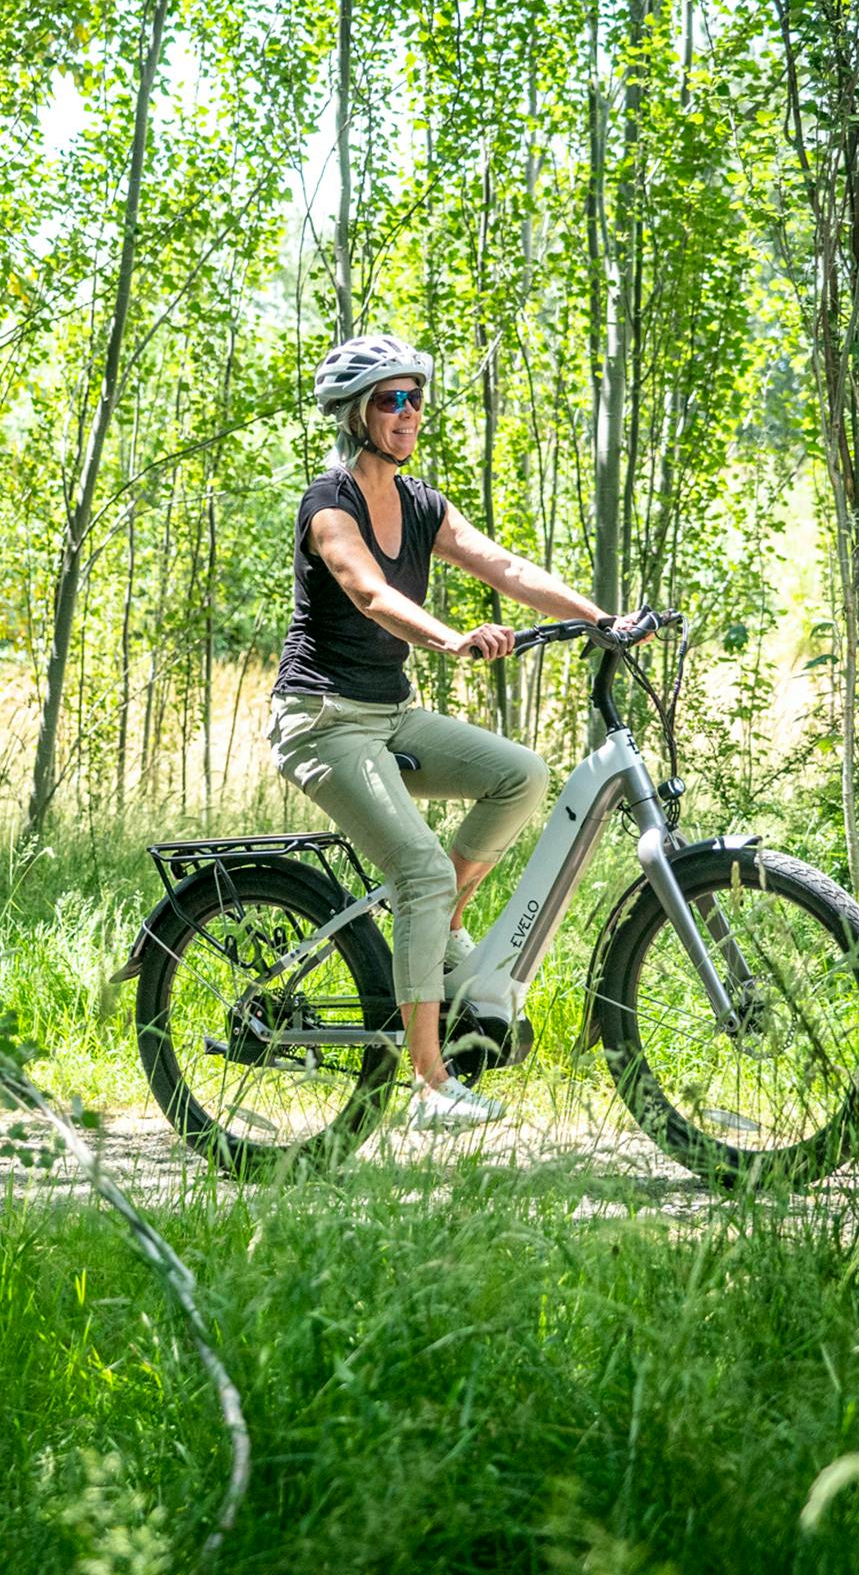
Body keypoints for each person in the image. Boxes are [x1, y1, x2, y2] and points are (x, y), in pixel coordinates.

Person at [268, 332, 641, 1131]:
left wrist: (599, 616)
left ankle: (441, 931)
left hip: (389, 714)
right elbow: (366, 591)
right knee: (422, 874)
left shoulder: (420, 503)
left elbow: (502, 567)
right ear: (354, 414)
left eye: (415, 397)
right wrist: (447, 638)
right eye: (389, 399)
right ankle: (431, 1086)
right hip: (321, 718)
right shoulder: (326, 503)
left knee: (522, 776)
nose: (408, 413)